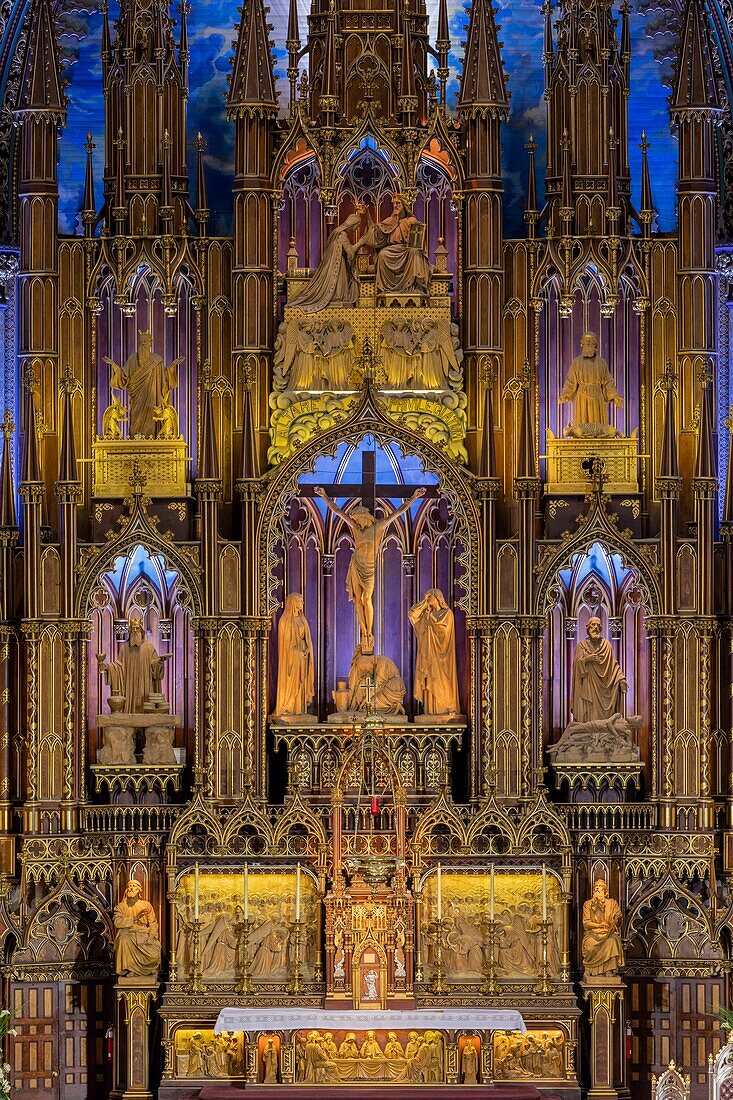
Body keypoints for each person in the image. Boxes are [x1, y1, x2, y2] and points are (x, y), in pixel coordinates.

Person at [315, 486, 425, 652]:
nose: (358, 522)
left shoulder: (379, 527)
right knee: (358, 600)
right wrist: (324, 496)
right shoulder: (356, 529)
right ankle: (364, 632)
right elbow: (337, 511)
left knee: (367, 599)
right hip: (356, 565)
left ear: (366, 517)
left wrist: (413, 498)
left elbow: (398, 512)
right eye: (356, 520)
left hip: (369, 568)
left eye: (359, 519)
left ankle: (369, 631)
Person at [102, 330, 182, 439]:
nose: (143, 344)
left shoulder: (157, 361)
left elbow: (165, 379)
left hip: (152, 402)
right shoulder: (132, 360)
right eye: (141, 342)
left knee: (152, 425)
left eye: (145, 342)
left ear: (150, 343)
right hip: (137, 403)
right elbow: (123, 376)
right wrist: (114, 366)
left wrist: (172, 367)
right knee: (135, 427)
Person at [355, 194, 431, 297]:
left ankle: (415, 287)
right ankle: (386, 289)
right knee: (382, 254)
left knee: (415, 252)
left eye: (398, 203)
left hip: (407, 250)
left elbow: (417, 242)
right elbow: (375, 231)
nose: (395, 206)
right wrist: (367, 214)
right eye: (394, 204)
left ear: (404, 205)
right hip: (392, 250)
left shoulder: (411, 220)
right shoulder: (390, 221)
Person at [288, 210, 363, 313]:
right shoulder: (342, 234)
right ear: (353, 223)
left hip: (335, 264)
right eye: (357, 225)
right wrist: (360, 243)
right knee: (339, 289)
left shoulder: (336, 232)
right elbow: (350, 252)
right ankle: (337, 298)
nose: (357, 228)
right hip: (338, 265)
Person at [559, 331, 622, 438]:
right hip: (582, 398)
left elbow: (608, 382)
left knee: (600, 429)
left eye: (591, 341)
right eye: (586, 341)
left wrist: (614, 396)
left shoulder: (601, 362)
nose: (588, 343)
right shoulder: (577, 362)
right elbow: (570, 381)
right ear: (582, 343)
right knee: (582, 428)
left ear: (595, 345)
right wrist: (565, 394)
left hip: (598, 398)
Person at [98, 617, 168, 714]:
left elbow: (154, 665)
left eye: (137, 628)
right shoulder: (124, 648)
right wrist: (108, 668)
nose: (135, 631)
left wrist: (160, 662)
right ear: (130, 631)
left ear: (141, 630)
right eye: (133, 629)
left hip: (145, 684)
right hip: (129, 685)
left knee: (146, 704)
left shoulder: (149, 647)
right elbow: (118, 666)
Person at [409, 588, 460, 716]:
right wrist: (423, 603)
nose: (427, 600)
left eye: (429, 597)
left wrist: (432, 620)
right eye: (425, 597)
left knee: (441, 679)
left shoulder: (447, 614)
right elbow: (412, 614)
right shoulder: (426, 615)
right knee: (428, 678)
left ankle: (445, 708)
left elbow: (444, 632)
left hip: (442, 656)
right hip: (428, 654)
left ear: (437, 598)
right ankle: (430, 711)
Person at [570, 617, 628, 723]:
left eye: (598, 625)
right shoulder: (581, 646)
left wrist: (621, 679)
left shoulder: (607, 645)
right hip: (589, 686)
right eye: (593, 625)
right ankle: (588, 731)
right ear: (588, 628)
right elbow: (577, 667)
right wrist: (587, 659)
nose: (595, 627)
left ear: (601, 628)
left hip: (605, 687)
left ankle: (606, 730)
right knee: (589, 714)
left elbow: (613, 665)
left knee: (607, 715)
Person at [273, 593, 315, 718]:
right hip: (291, 659)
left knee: (302, 682)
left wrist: (308, 649)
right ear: (293, 602)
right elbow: (285, 647)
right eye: (300, 600)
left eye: (302, 600)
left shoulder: (303, 619)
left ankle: (299, 709)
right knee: (292, 682)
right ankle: (288, 707)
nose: (302, 603)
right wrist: (297, 653)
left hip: (303, 656)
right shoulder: (284, 621)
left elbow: (307, 639)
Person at [113, 880, 161, 976]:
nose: (131, 888)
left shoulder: (146, 905)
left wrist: (151, 936)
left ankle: (148, 968)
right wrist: (134, 918)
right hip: (128, 933)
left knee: (155, 954)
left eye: (134, 886)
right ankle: (131, 969)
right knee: (123, 939)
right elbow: (117, 922)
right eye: (129, 886)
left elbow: (153, 923)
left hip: (143, 933)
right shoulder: (120, 907)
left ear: (139, 890)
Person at [582, 879, 625, 977]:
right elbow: (586, 923)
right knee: (590, 946)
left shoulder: (612, 903)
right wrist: (599, 925)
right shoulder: (588, 904)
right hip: (593, 934)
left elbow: (618, 923)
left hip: (607, 934)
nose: (597, 888)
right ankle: (591, 971)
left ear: (605, 891)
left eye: (600, 886)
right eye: (596, 886)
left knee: (612, 941)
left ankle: (609, 970)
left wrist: (618, 918)